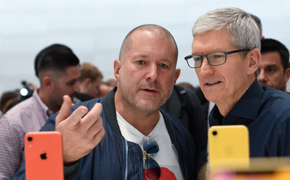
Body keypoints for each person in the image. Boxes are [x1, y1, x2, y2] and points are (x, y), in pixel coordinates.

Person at [13, 24, 196, 180]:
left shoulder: (181, 138)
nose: (153, 75)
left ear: (175, 77)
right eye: (141, 62)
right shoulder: (72, 125)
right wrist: (62, 159)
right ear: (118, 69)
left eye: (164, 66)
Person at [185, 7, 290, 179]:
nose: (204, 70)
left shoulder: (289, 121)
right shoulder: (218, 118)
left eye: (217, 56)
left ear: (252, 61)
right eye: (197, 58)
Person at [0, 44, 80, 180]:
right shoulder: (13, 122)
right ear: (48, 83)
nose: (78, 88)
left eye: (78, 81)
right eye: (70, 83)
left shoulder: (80, 113)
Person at [161, 84, 208, 174]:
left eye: (164, 68)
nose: (153, 75)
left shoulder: (185, 97)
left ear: (176, 74)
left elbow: (202, 144)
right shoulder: (131, 101)